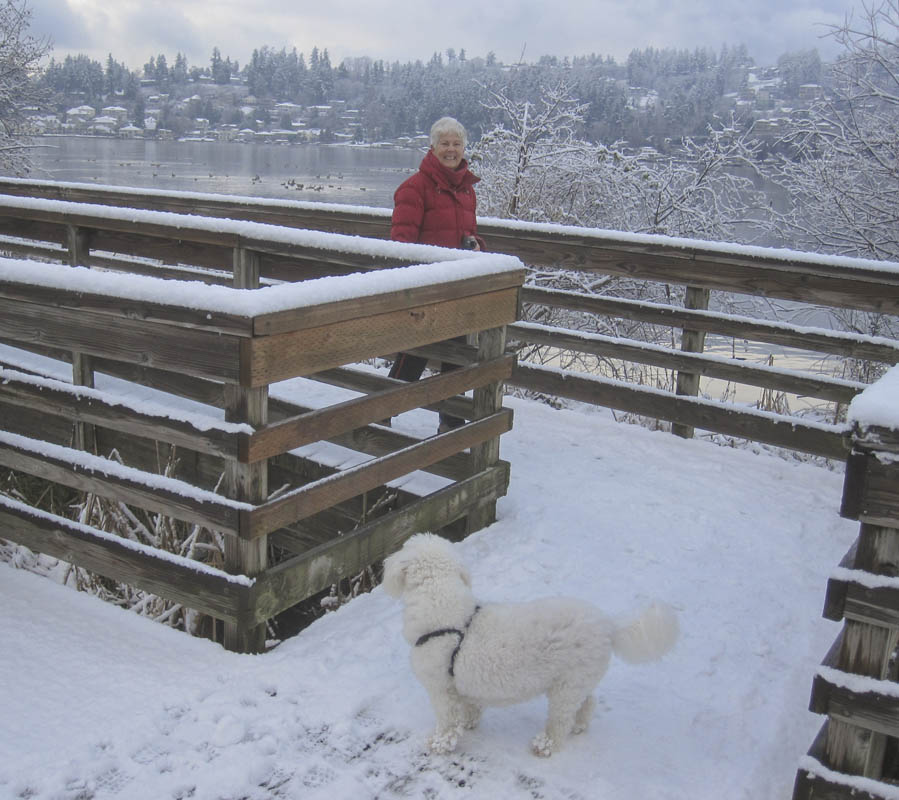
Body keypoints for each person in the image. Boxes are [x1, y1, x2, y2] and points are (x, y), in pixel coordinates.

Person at [388, 117, 485, 432]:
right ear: (433, 147)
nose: (451, 150)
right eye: (445, 143)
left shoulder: (467, 190)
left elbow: (469, 233)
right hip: (426, 291)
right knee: (413, 359)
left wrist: (476, 246)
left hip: (456, 289)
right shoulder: (415, 188)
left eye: (456, 144)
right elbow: (400, 245)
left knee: (456, 358)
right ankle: (378, 414)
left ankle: (451, 425)